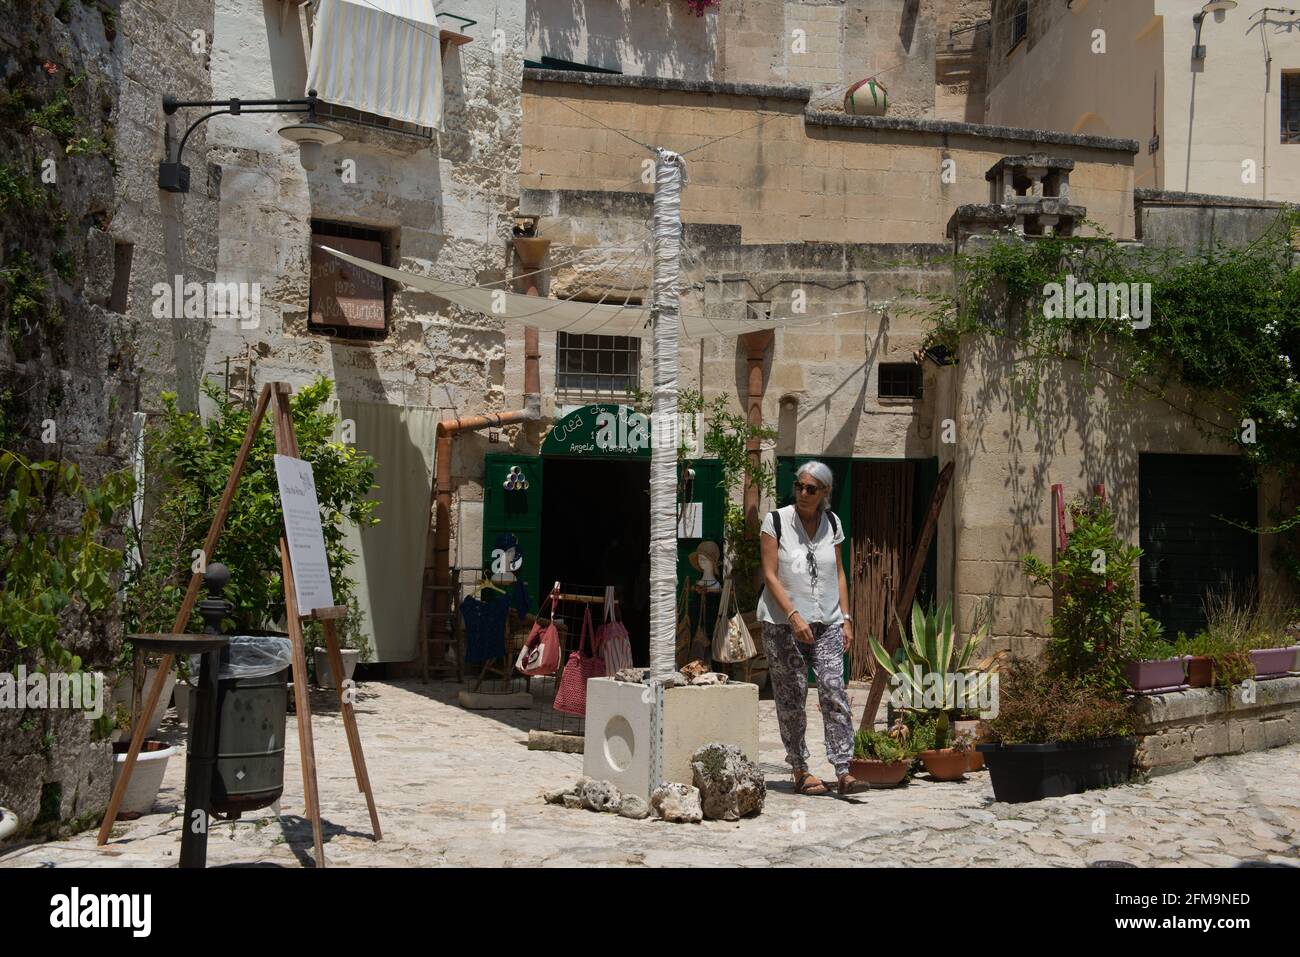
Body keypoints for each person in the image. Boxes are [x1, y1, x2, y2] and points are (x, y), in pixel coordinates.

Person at [756, 461, 865, 795]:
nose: (803, 493)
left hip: (829, 621)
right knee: (792, 697)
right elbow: (770, 574)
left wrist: (846, 618)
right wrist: (793, 615)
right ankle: (801, 769)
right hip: (783, 624)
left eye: (811, 489)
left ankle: (844, 769)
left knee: (833, 690)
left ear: (824, 493)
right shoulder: (775, 521)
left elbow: (840, 573)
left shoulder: (833, 522)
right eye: (799, 486)